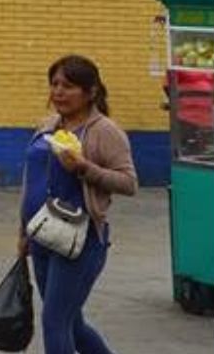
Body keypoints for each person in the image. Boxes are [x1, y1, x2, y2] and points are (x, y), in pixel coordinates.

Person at [18, 55, 137, 354]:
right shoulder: (47, 127)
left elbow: (128, 183)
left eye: (68, 86)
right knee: (72, 324)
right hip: (41, 235)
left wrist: (84, 167)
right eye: (54, 84)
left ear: (90, 92)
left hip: (80, 241)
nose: (58, 92)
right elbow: (30, 179)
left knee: (55, 321)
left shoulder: (104, 131)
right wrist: (22, 231)